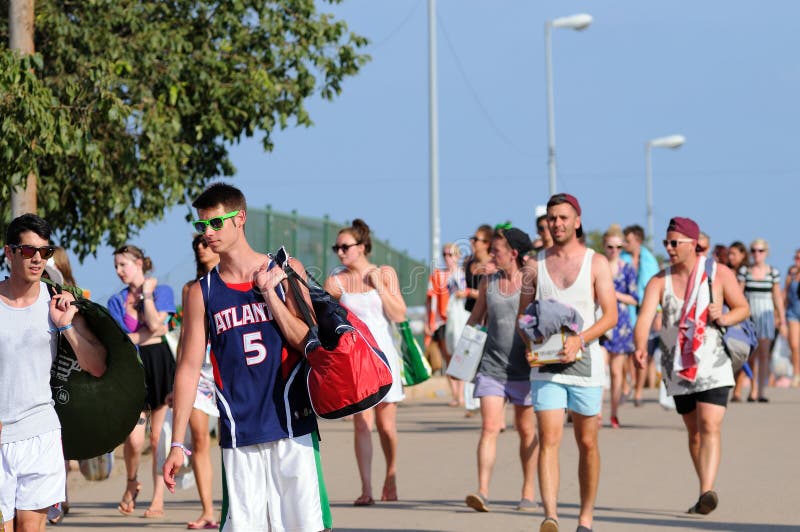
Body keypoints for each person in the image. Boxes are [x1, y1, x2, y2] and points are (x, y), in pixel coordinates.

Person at [164, 183, 330, 531]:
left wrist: (271, 295)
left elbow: (308, 341)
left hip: (292, 426)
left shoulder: (286, 269)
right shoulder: (202, 292)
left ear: (239, 218)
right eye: (201, 226)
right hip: (239, 433)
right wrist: (178, 442)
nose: (208, 233)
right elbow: (189, 368)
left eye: (215, 223)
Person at [634, 217, 749, 515]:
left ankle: (706, 490)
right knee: (693, 430)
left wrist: (723, 317)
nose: (669, 248)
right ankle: (704, 489)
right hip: (677, 363)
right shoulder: (659, 281)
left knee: (710, 424)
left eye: (675, 243)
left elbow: (742, 308)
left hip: (713, 360)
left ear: (693, 244)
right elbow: (645, 318)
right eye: (666, 243)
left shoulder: (718, 273)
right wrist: (639, 347)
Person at [0, 214, 107, 531]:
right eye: (28, 250)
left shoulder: (57, 303)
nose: (37, 259)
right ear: (9, 253)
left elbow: (97, 365)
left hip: (40, 433)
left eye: (44, 252)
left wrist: (67, 328)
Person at [520, 193, 617, 532]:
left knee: (587, 443)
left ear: (577, 221)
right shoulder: (534, 265)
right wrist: (528, 345)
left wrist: (581, 339)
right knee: (548, 439)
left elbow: (611, 316)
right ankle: (551, 515)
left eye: (563, 218)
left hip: (585, 364)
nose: (557, 223)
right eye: (552, 218)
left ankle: (586, 517)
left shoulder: (597, 262)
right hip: (545, 366)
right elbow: (524, 317)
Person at [324, 219, 406, 506]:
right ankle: (367, 488)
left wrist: (381, 288)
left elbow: (399, 315)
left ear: (361, 247)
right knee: (362, 423)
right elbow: (322, 316)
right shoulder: (336, 280)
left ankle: (391, 473)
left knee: (386, 427)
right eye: (337, 247)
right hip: (357, 360)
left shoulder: (384, 273)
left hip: (384, 355)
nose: (340, 252)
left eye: (345, 247)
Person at [463, 227, 538, 514]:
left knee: (526, 430)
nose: (492, 254)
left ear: (514, 253)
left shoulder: (530, 283)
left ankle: (528, 492)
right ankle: (482, 491)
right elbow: (476, 317)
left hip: (525, 369)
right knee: (489, 427)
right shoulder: (488, 282)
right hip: (491, 367)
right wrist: (462, 357)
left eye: (497, 250)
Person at [108, 244, 176, 518]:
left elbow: (159, 327)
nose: (119, 271)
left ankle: (157, 500)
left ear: (139, 263)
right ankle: (131, 482)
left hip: (160, 366)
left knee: (159, 437)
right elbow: (120, 341)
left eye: (123, 264)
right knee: (135, 439)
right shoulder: (115, 300)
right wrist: (149, 332)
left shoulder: (163, 291)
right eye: (116, 267)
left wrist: (147, 294)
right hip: (132, 370)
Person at [169, 234, 221, 529]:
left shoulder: (233, 282)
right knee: (200, 439)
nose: (201, 248)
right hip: (198, 373)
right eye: (196, 245)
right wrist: (176, 385)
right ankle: (207, 511)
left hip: (225, 369)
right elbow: (185, 339)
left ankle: (236, 503)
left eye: (205, 243)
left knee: (232, 440)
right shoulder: (191, 288)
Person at [733, 239, 786, 402]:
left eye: (760, 250)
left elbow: (776, 295)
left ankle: (760, 391)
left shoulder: (773, 272)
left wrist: (782, 318)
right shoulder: (745, 271)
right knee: (749, 355)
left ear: (766, 253)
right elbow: (738, 294)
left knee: (764, 354)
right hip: (749, 316)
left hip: (767, 315)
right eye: (754, 250)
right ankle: (749, 389)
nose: (757, 254)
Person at [600, 225, 638, 428]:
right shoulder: (598, 264)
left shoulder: (628, 267)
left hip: (621, 324)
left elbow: (635, 298)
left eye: (618, 247)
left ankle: (613, 413)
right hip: (600, 322)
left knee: (616, 373)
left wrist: (614, 295)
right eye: (610, 246)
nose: (614, 250)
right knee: (599, 369)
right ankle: (595, 413)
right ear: (604, 246)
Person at [622, 224, 661, 405]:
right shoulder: (621, 259)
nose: (624, 243)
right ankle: (628, 383)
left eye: (627, 240)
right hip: (624, 311)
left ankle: (638, 391)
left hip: (646, 310)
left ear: (637, 240)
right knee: (626, 353)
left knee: (642, 350)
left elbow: (657, 288)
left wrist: (659, 313)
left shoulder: (650, 260)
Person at [426, 243, 469, 406]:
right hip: (443, 320)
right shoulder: (438, 275)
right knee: (449, 356)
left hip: (461, 319)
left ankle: (462, 393)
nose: (447, 258)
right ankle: (456, 394)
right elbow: (430, 300)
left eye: (451, 255)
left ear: (458, 257)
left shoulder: (464, 275)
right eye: (445, 255)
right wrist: (428, 321)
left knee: (462, 356)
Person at [462, 225, 495, 414]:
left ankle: (490, 406)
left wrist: (471, 293)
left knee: (488, 362)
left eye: (477, 240)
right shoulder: (469, 263)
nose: (473, 243)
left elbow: (491, 294)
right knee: (470, 359)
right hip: (474, 316)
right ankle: (471, 403)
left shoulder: (493, 265)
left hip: (490, 318)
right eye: (472, 239)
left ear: (487, 243)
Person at [785, 249, 800, 387]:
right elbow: (785, 294)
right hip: (793, 313)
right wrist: (780, 317)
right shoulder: (792, 274)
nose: (797, 260)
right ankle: (796, 374)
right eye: (796, 257)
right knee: (794, 345)